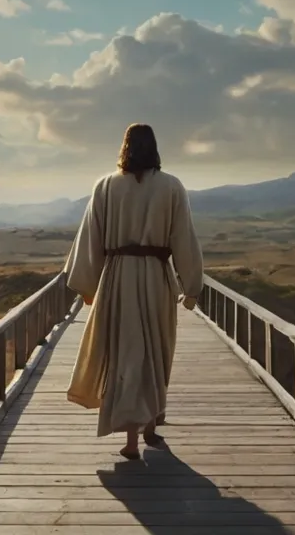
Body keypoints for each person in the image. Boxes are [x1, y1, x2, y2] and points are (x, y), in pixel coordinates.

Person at [63, 123, 204, 460]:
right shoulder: (171, 187)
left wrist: (87, 285)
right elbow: (184, 239)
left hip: (117, 279)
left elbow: (90, 238)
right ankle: (150, 427)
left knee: (125, 354)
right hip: (156, 278)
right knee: (155, 353)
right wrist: (192, 286)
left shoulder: (106, 187)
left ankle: (130, 439)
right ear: (154, 148)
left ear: (124, 147)